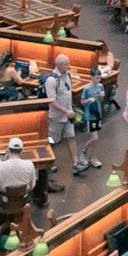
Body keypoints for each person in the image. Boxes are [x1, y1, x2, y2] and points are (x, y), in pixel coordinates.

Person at [45, 53, 83, 181]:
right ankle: (47, 165)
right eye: (67, 63)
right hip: (56, 117)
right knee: (52, 142)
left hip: (68, 115)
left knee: (71, 137)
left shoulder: (68, 75)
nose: (69, 65)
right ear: (60, 65)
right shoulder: (51, 80)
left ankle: (76, 163)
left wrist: (69, 110)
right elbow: (51, 101)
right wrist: (65, 111)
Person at [79, 67, 105, 167]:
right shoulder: (87, 89)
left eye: (99, 78)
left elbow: (101, 100)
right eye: (97, 78)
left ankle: (91, 157)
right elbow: (82, 102)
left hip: (97, 114)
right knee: (94, 138)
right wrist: (88, 100)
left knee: (95, 139)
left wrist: (102, 96)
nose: (98, 80)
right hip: (90, 116)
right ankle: (83, 152)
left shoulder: (100, 86)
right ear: (92, 77)